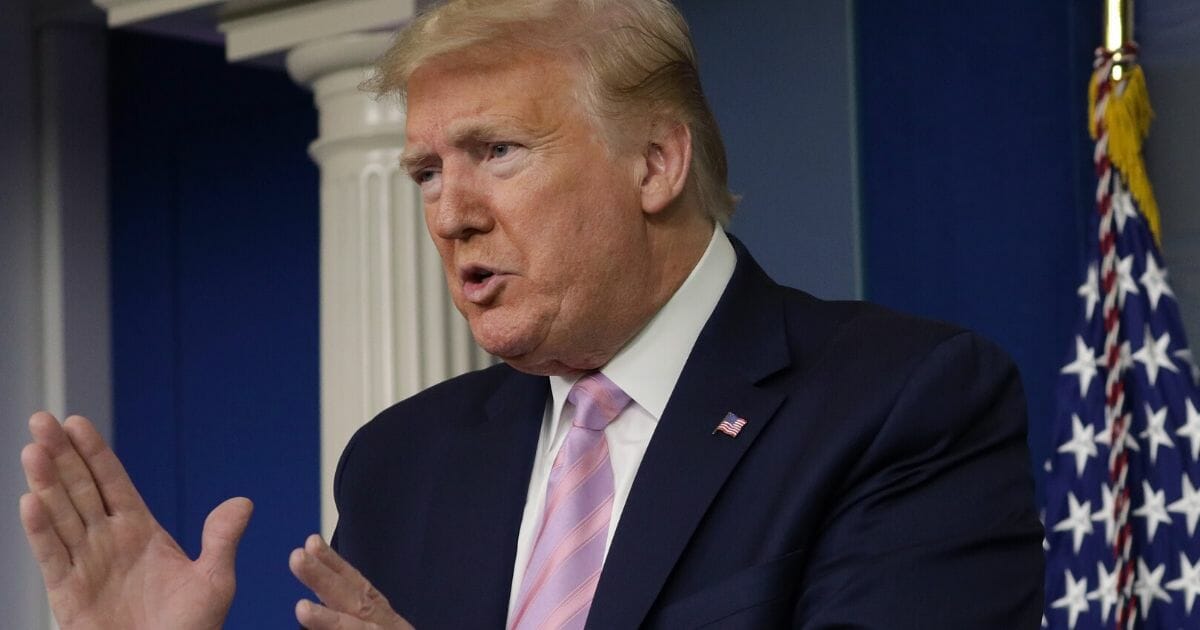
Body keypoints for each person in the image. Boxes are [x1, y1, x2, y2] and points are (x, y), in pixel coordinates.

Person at [18, 0, 1044, 628]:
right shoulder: (402, 461)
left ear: (654, 162)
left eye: (496, 151)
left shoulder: (900, 405)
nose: (450, 214)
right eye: (426, 169)